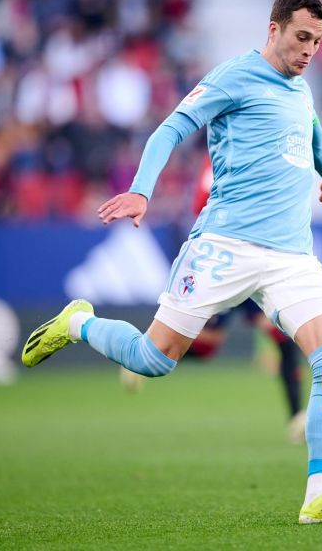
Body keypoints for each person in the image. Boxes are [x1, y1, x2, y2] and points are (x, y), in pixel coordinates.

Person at [22, 0, 322, 524]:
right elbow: (173, 128)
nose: (309, 51)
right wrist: (142, 188)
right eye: (302, 37)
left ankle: (317, 497)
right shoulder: (235, 76)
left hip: (292, 257)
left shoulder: (300, 91)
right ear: (274, 29)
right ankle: (79, 324)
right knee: (153, 359)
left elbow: (317, 136)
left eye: (318, 42)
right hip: (225, 245)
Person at [120, 158, 308, 446]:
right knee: (206, 348)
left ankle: (297, 417)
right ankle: (145, 353)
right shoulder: (221, 157)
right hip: (225, 262)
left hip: (257, 258)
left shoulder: (259, 148)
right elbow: (204, 205)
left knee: (282, 334)